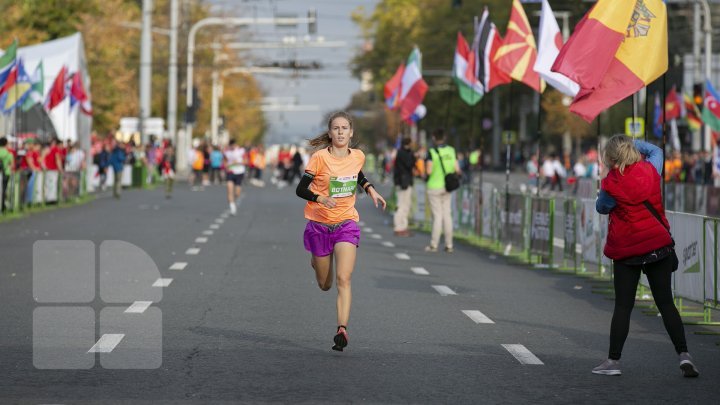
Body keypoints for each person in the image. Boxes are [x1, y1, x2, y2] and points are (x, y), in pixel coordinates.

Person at [593, 135, 698, 378]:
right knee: (666, 304)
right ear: (631, 151)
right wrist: (631, 141)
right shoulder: (652, 169)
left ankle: (613, 361)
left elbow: (602, 208)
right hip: (657, 247)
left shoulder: (611, 184)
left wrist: (608, 182)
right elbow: (655, 150)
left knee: (623, 307)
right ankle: (684, 355)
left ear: (609, 158)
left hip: (627, 250)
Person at [295, 111, 386, 352]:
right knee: (325, 285)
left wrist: (371, 189)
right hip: (319, 225)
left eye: (345, 128)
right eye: (336, 128)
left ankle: (341, 329)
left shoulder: (358, 156)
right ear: (330, 132)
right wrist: (320, 198)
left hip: (346, 223)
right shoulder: (319, 158)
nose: (341, 132)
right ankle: (316, 261)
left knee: (343, 279)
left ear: (351, 132)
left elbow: (357, 175)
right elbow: (300, 189)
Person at [425, 128, 460, 253]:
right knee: (447, 215)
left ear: (434, 138)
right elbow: (457, 169)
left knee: (437, 216)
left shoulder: (432, 152)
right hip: (447, 186)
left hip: (434, 186)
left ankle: (434, 244)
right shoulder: (451, 151)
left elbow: (428, 171)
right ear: (444, 137)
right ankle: (449, 244)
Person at [393, 137, 416, 237]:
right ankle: (399, 227)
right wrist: (415, 157)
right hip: (404, 182)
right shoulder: (404, 153)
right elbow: (409, 164)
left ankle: (403, 226)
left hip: (402, 181)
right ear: (409, 143)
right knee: (402, 205)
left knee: (405, 205)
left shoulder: (401, 152)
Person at [224, 139, 246, 215]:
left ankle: (235, 197)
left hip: (239, 172)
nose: (232, 147)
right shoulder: (227, 152)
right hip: (230, 172)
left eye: (234, 145)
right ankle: (232, 207)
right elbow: (225, 162)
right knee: (229, 189)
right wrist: (227, 165)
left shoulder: (241, 151)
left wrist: (237, 162)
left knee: (237, 193)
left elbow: (246, 161)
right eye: (231, 145)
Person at [0, 137, 14, 213]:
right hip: (6, 173)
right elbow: (12, 165)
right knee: (3, 190)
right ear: (6, 144)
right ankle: (2, 207)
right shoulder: (9, 153)